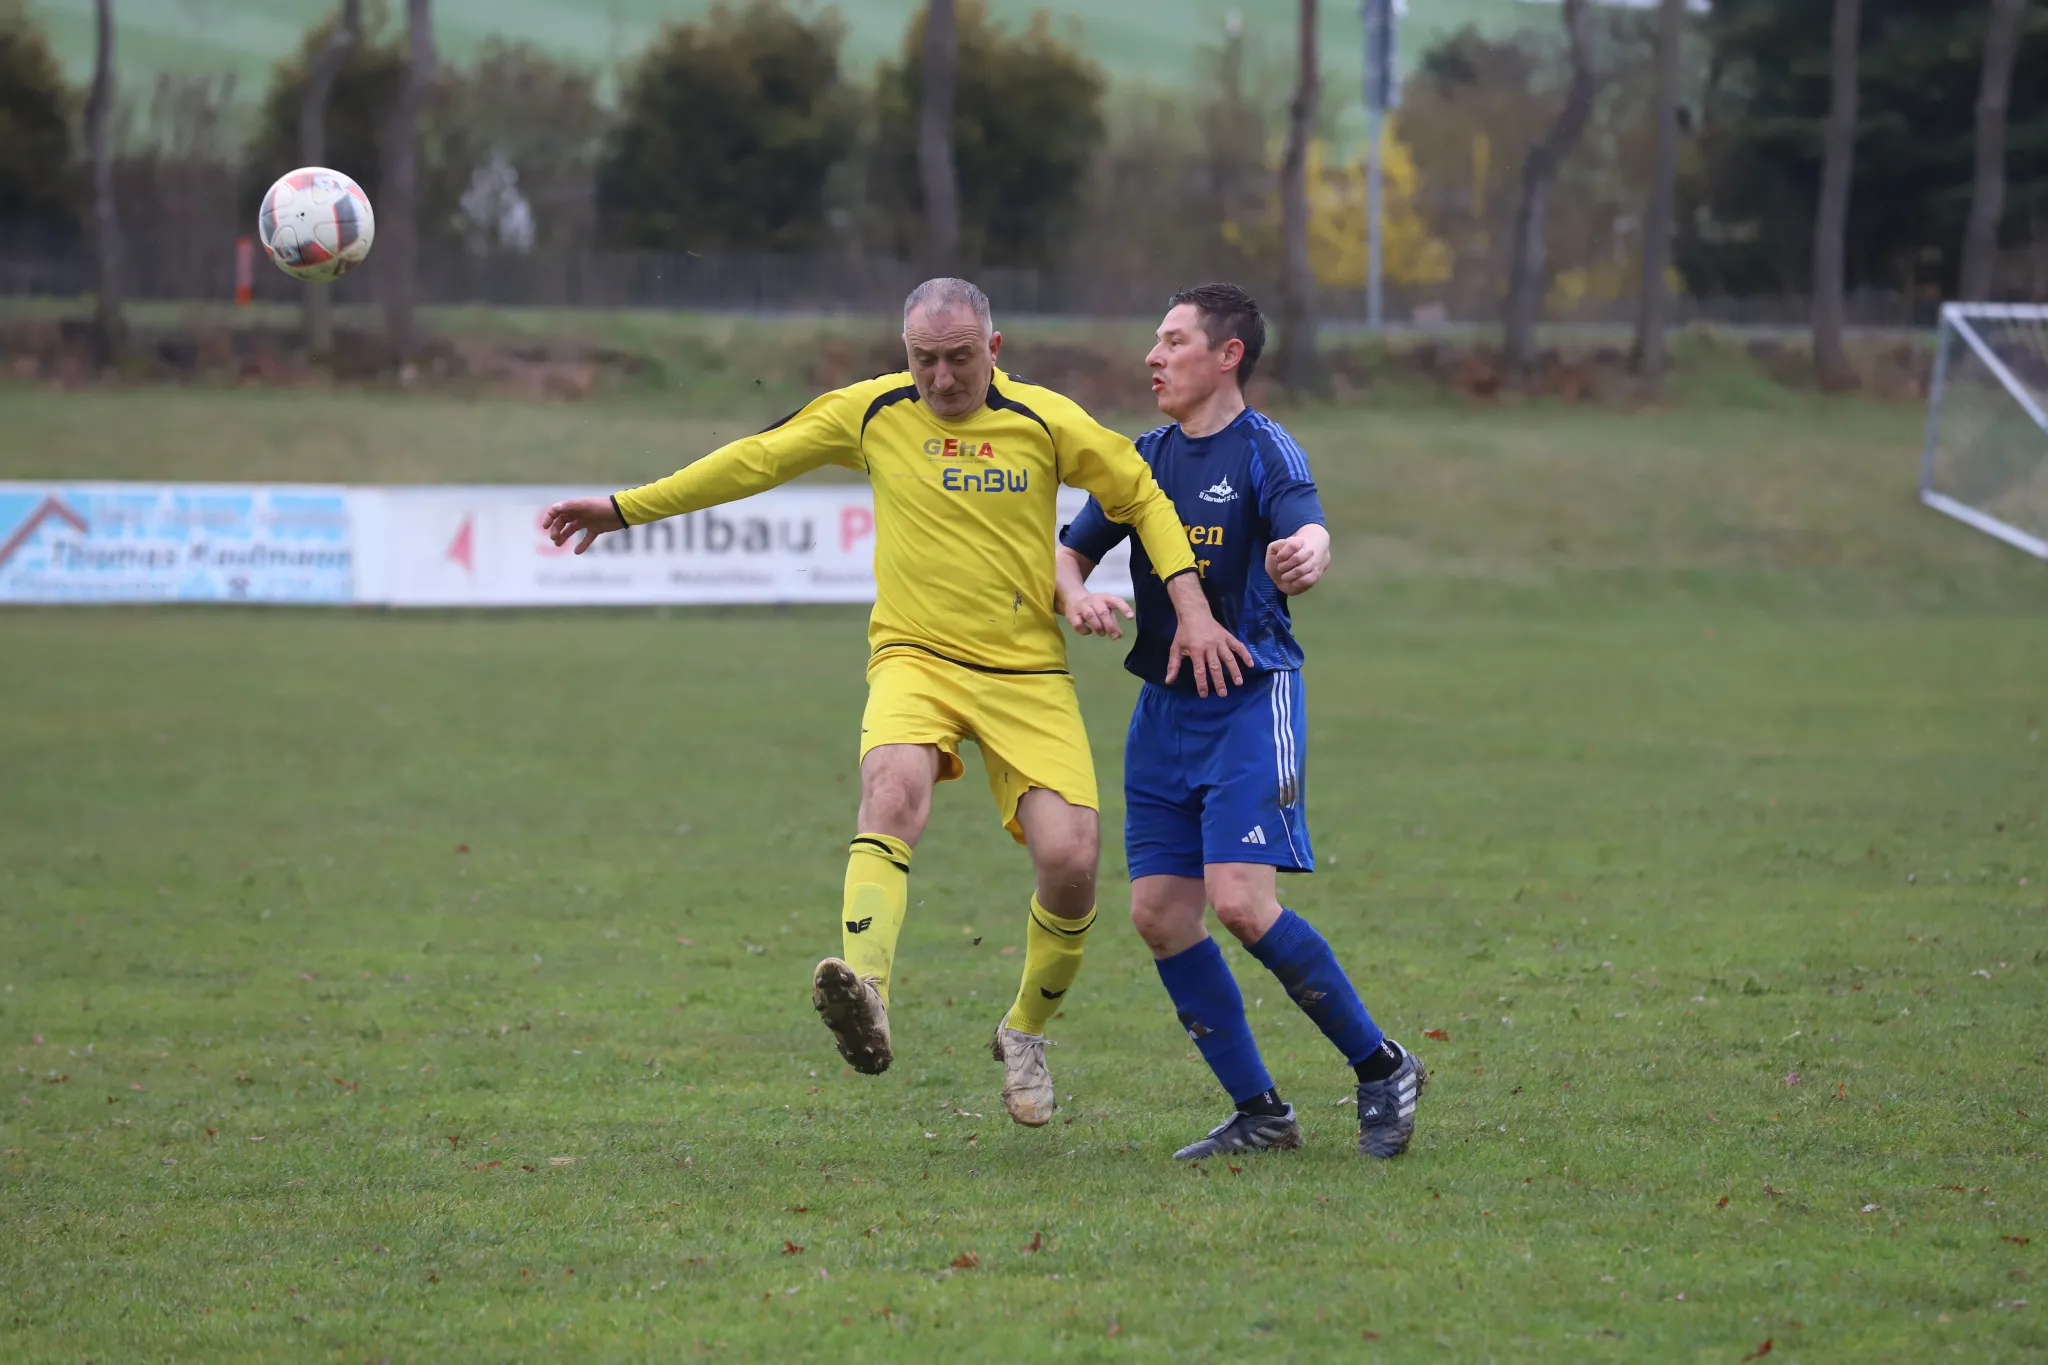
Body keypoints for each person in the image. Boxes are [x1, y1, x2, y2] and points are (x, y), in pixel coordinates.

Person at [542, 278, 1249, 1128]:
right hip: (914, 656)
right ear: (904, 353)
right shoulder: (872, 411)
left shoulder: (1045, 421)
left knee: (1071, 861)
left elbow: (1140, 494)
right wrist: (625, 509)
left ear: (994, 349)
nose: (942, 378)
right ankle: (866, 988)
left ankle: (1025, 1030)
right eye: (924, 360)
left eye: (959, 359)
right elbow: (756, 459)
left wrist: (1194, 609)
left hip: (1025, 670)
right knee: (891, 789)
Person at [1055, 283, 1426, 1160]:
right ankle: (1261, 1111)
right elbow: (1070, 548)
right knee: (1159, 914)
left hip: (1252, 703)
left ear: (1228, 356)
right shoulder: (1141, 458)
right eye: (1155, 339)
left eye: (1174, 340)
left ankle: (1382, 1067)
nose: (1153, 356)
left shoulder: (1264, 448)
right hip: (1161, 713)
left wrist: (1307, 553)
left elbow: (1310, 527)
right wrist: (1075, 595)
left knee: (1241, 903)